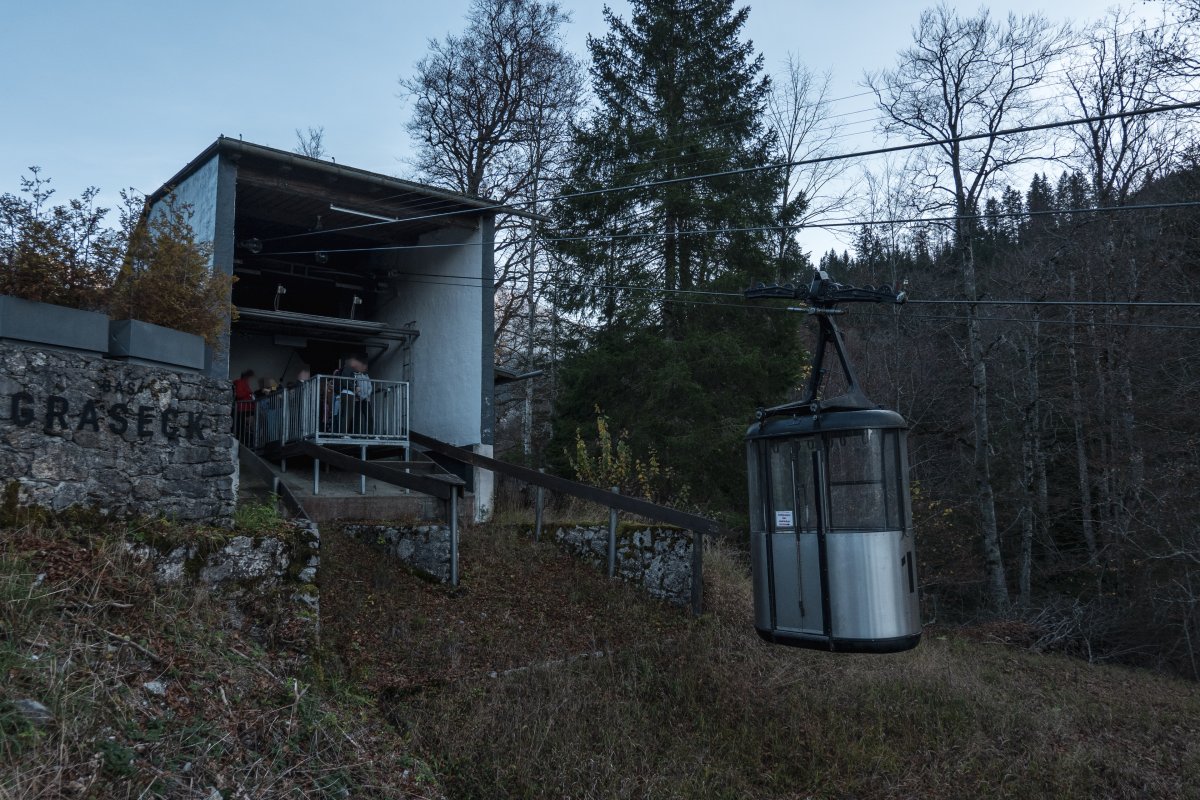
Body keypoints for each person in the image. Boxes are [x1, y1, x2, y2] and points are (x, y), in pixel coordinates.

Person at [232, 369, 255, 444]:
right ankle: (243, 442)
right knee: (242, 428)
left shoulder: (245, 383)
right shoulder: (240, 383)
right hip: (243, 409)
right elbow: (239, 395)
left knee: (246, 427)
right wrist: (248, 392)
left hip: (247, 408)